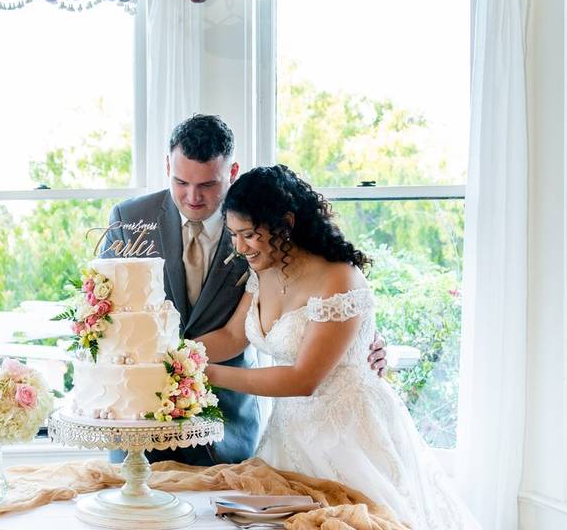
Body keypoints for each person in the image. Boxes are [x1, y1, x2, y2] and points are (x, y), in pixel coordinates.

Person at [196, 165, 481, 529]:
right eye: (234, 235)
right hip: (289, 433)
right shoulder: (263, 269)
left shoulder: (339, 278)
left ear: (286, 222)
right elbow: (232, 337)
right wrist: (177, 355)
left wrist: (209, 374)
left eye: (249, 234)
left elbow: (304, 380)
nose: (240, 247)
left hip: (349, 435)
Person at [101, 115, 387, 466]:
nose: (193, 197)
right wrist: (159, 363)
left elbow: (332, 305)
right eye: (180, 181)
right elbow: (107, 311)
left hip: (231, 426)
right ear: (167, 167)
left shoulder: (259, 220)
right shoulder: (131, 220)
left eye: (207, 184)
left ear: (231, 172)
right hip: (139, 420)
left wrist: (365, 340)